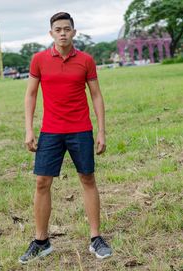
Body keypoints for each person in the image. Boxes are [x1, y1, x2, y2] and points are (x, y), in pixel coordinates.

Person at [20, 12, 112, 264]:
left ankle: (96, 238)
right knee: (41, 182)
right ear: (51, 33)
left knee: (88, 178)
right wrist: (29, 129)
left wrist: (101, 131)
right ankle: (41, 241)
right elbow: (30, 95)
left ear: (74, 32)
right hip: (50, 131)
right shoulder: (39, 60)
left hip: (80, 129)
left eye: (67, 29)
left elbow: (96, 95)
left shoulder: (86, 60)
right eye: (58, 29)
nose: (62, 33)